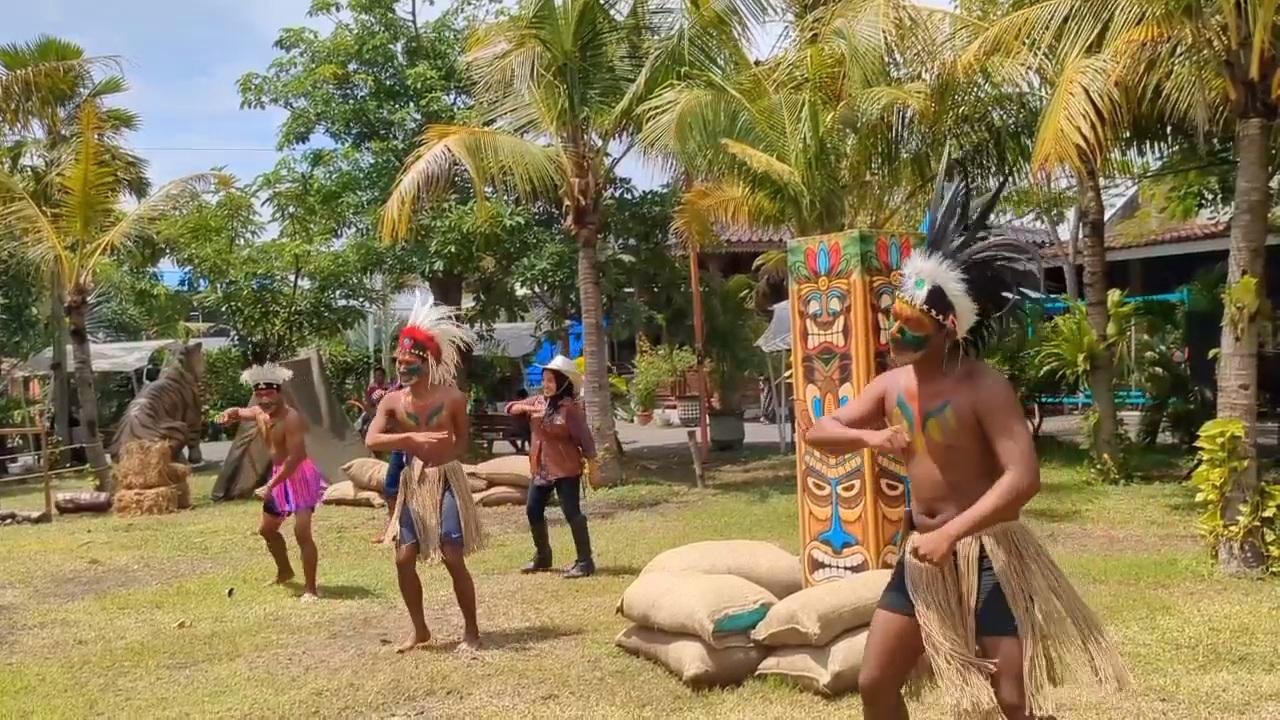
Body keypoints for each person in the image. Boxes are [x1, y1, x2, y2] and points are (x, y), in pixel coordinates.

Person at [805, 162, 1129, 720]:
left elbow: (1023, 479)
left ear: (948, 328)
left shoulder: (985, 386)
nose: (894, 334)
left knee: (1011, 699)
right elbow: (819, 432)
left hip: (989, 555)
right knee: (877, 682)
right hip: (923, 557)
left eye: (910, 326)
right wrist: (873, 436)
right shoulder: (889, 387)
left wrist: (953, 533)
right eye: (893, 320)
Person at [365, 291, 485, 653]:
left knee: (452, 553)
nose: (402, 368)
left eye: (409, 361)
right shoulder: (391, 401)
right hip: (413, 482)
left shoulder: (452, 398)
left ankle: (472, 631)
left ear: (428, 362)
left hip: (446, 478)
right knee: (403, 558)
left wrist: (442, 457)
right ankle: (420, 630)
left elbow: (463, 441)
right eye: (399, 362)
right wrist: (412, 438)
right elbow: (373, 439)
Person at [220, 363, 326, 602]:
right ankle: (285, 571)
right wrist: (229, 413)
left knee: (302, 533)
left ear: (280, 392)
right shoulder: (259, 413)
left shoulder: (292, 419)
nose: (264, 399)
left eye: (269, 394)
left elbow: (296, 457)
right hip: (279, 476)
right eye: (259, 395)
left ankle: (311, 589)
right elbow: (240, 412)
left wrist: (271, 484)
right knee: (267, 530)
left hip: (300, 476)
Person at [505, 356, 597, 578]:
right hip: (541, 467)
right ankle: (543, 556)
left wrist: (594, 464)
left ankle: (585, 562)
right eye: (544, 380)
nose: (546, 385)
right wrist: (519, 408)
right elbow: (510, 407)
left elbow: (585, 439)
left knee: (572, 513)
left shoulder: (570, 410)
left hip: (565, 468)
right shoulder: (538, 402)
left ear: (563, 383)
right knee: (533, 510)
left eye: (551, 381)